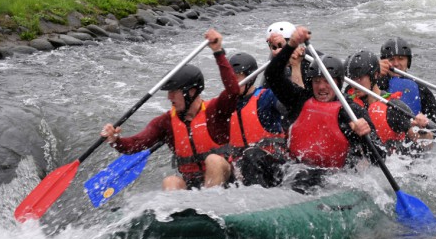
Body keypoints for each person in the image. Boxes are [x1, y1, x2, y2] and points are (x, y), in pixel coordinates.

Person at [100, 29, 239, 190]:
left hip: (226, 182)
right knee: (170, 182)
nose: (169, 97)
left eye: (174, 92)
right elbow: (135, 145)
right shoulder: (166, 123)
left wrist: (218, 52)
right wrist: (115, 140)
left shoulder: (215, 111)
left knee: (213, 160)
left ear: (191, 92)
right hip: (193, 186)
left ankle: (211, 204)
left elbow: (233, 91)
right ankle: (181, 213)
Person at [264, 26, 383, 192]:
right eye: (317, 81)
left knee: (305, 175)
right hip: (295, 169)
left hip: (334, 177)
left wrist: (365, 134)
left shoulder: (352, 111)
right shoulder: (298, 100)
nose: (321, 87)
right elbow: (272, 75)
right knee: (254, 157)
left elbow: (380, 159)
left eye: (327, 81)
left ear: (339, 82)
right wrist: (290, 45)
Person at [344, 50, 435, 155]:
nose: (355, 84)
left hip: (394, 163)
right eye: (352, 79)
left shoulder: (393, 108)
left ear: (375, 75)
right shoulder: (347, 105)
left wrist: (421, 129)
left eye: (360, 78)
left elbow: (426, 143)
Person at [227, 51, 287, 187]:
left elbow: (289, 103)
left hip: (271, 165)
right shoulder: (225, 106)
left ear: (250, 78)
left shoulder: (266, 98)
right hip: (240, 167)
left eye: (237, 77)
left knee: (251, 155)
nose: (233, 82)